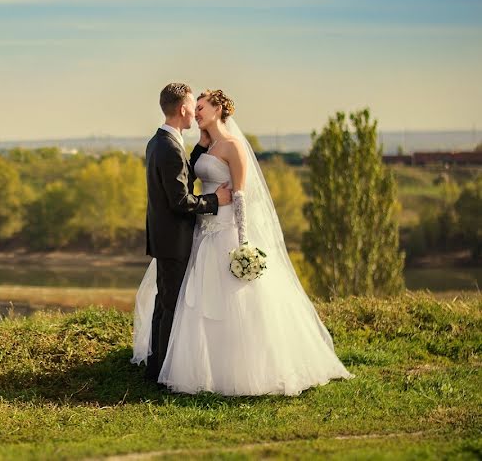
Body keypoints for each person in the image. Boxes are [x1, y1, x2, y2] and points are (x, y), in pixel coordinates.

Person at [133, 88, 354, 396]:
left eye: (201, 107)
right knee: (191, 301)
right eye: (193, 107)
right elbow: (185, 184)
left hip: (223, 231)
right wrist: (210, 188)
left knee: (225, 303)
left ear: (218, 110)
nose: (196, 112)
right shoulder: (202, 147)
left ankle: (232, 367)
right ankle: (185, 364)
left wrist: (243, 241)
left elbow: (239, 197)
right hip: (201, 232)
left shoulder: (233, 146)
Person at [141, 83, 232, 382]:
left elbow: (180, 175)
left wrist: (201, 148)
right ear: (183, 109)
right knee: (171, 306)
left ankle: (157, 365)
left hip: (164, 237)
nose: (195, 112)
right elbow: (181, 200)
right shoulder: (168, 147)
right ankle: (164, 371)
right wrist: (215, 201)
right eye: (193, 107)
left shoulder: (160, 142)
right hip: (173, 240)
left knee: (164, 303)